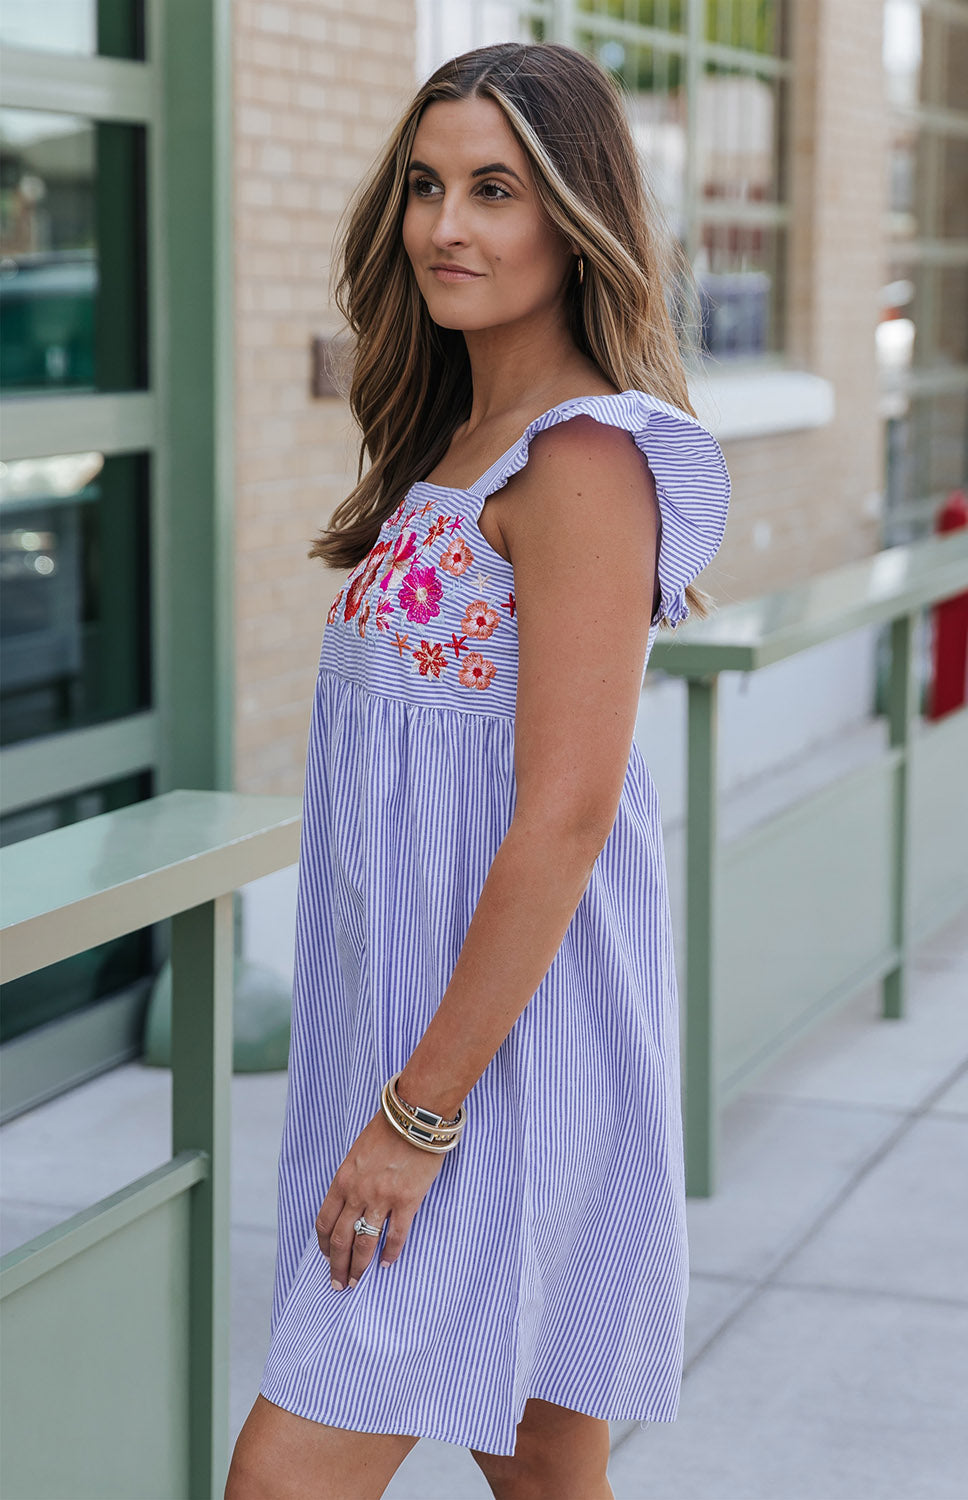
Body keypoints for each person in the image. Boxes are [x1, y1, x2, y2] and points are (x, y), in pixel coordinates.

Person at [226, 39, 730, 1500]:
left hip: (489, 1065)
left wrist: (413, 1118)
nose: (447, 225)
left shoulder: (581, 461)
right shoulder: (455, 443)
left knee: (284, 1476)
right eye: (428, 185)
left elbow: (566, 818)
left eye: (495, 189)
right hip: (426, 1035)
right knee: (544, 1463)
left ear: (575, 219)